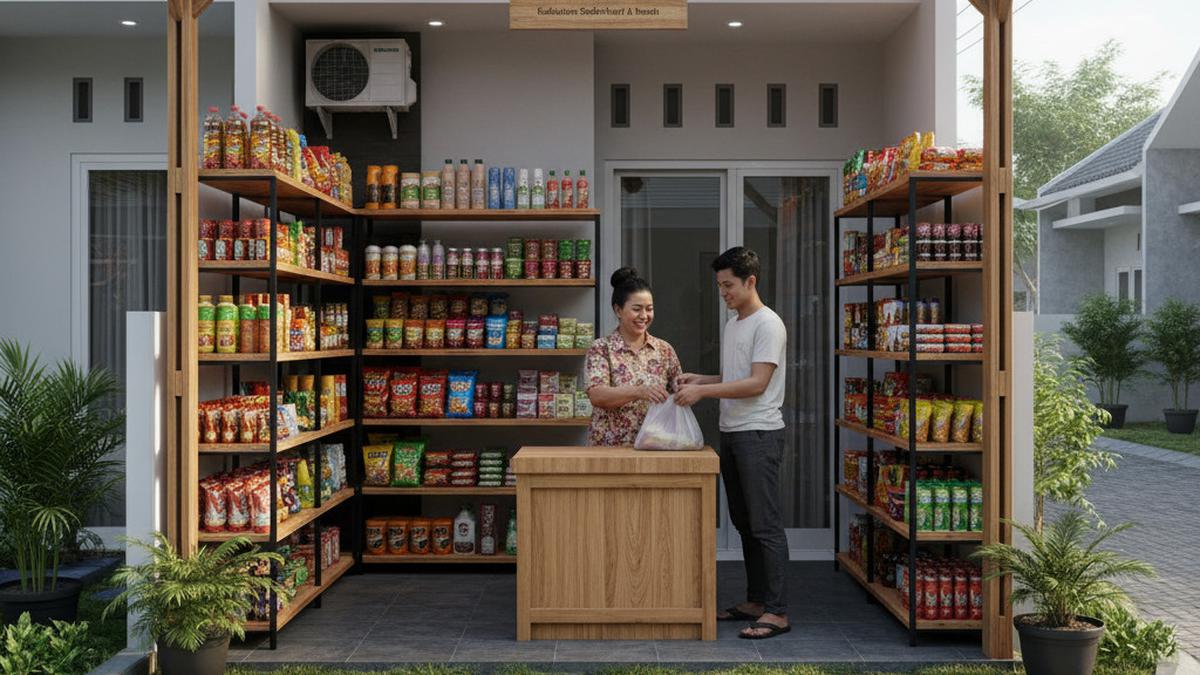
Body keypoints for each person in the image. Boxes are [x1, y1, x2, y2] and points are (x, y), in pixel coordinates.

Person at [675, 247, 790, 640]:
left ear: (750, 281)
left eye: (728, 285)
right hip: (734, 431)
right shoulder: (733, 324)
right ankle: (756, 601)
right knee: (744, 524)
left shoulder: (768, 324)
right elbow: (736, 374)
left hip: (759, 433)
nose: (722, 292)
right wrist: (702, 379)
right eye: (719, 285)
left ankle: (777, 611)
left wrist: (704, 395)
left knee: (765, 525)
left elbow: (758, 383)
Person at [585, 267, 682, 447]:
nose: (644, 316)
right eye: (637, 309)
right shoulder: (601, 349)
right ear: (618, 310)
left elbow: (678, 394)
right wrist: (639, 391)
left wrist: (697, 385)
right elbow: (597, 395)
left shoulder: (664, 350)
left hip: (655, 447)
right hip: (610, 449)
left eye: (649, 309)